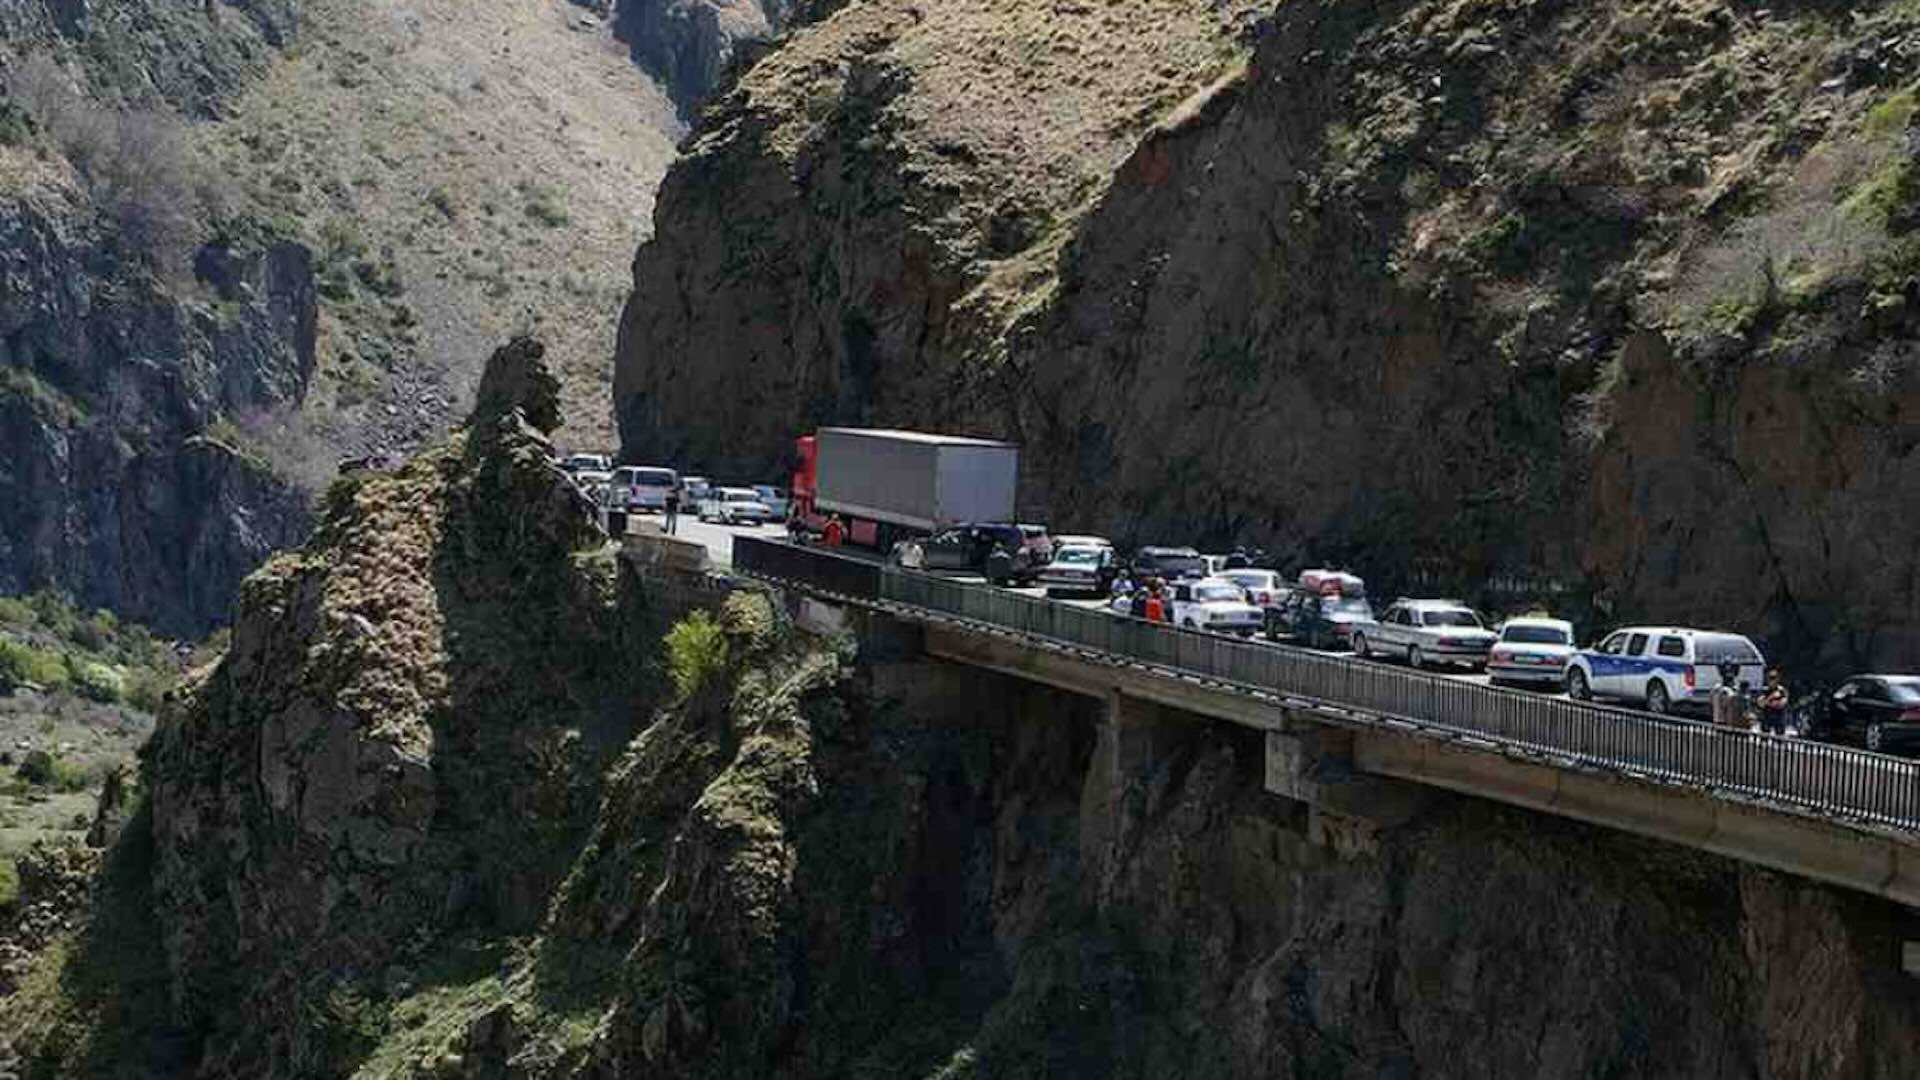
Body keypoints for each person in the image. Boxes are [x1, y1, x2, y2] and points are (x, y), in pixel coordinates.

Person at [1710, 663, 1742, 728]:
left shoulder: (1715, 689)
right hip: (1727, 720)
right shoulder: (1728, 691)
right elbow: (1728, 705)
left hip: (1717, 718)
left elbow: (1711, 702)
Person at [1759, 669, 1790, 736]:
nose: (1771, 680)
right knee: (1764, 738)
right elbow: (1760, 703)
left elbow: (1782, 703)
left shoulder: (1782, 690)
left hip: (1778, 718)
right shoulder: (1765, 690)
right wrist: (1771, 701)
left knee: (1779, 739)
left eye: (1773, 677)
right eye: (1770, 678)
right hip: (1766, 717)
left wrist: (1769, 702)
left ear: (1778, 679)